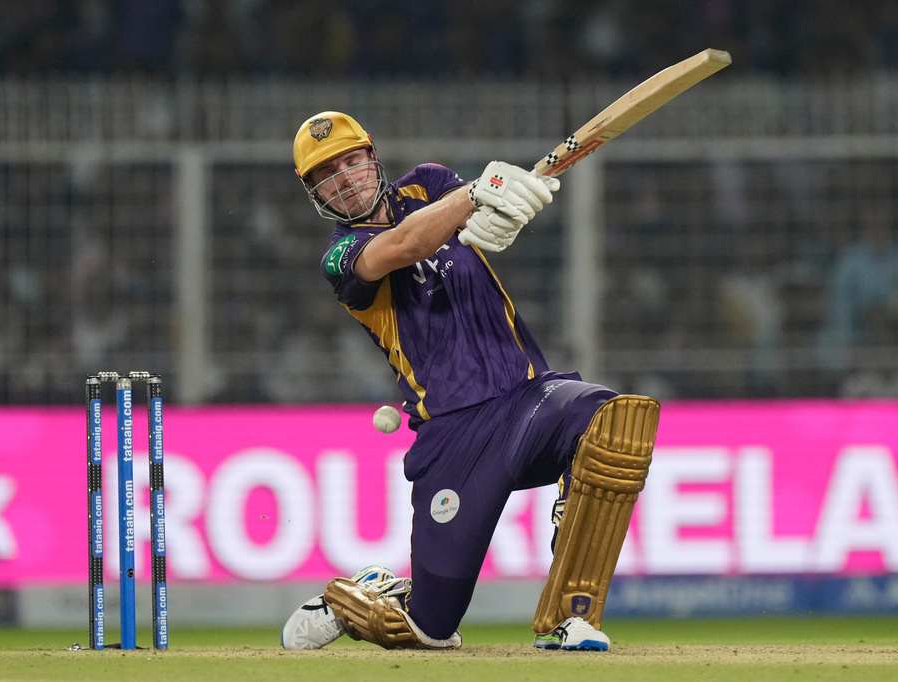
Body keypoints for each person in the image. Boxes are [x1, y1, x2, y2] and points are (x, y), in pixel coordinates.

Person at [280, 111, 660, 651]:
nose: (345, 177)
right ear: (313, 192)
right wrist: (480, 192)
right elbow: (406, 246)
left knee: (612, 420)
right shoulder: (339, 258)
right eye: (326, 174)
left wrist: (495, 207)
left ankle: (570, 615)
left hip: (529, 398)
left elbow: (478, 220)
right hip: (455, 435)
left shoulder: (428, 182)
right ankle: (365, 593)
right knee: (426, 631)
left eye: (351, 160)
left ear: (372, 156)